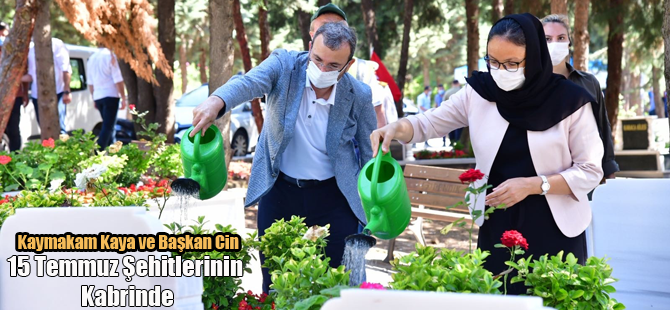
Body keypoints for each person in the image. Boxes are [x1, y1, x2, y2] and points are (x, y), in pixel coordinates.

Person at [370, 14, 603, 295]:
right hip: (497, 222)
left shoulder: (570, 101)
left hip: (554, 224)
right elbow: (428, 122)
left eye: (512, 63)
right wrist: (396, 127)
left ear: (536, 58)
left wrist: (533, 185)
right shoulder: (479, 92)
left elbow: (590, 170)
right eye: (492, 61)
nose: (501, 70)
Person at [190, 22, 375, 293]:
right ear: (310, 47)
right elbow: (248, 83)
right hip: (280, 193)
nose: (322, 70)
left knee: (339, 285)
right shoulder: (284, 65)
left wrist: (373, 207)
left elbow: (370, 154)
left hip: (335, 197)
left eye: (333, 66)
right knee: (276, 284)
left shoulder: (359, 94)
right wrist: (216, 101)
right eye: (318, 59)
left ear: (348, 65)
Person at [542, 14, 619, 181]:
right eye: (547, 39)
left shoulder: (588, 82)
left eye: (561, 38)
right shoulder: (530, 86)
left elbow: (602, 129)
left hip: (586, 175)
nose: (554, 44)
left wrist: (608, 172)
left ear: (569, 41)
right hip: (546, 178)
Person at [309, 3, 387, 128]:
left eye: (338, 27)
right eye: (324, 27)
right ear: (312, 36)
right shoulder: (294, 67)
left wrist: (379, 144)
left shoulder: (363, 71)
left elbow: (378, 116)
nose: (332, 33)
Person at [26, 37, 72, 134]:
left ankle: (62, 149)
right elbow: (31, 75)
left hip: (57, 92)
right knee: (44, 129)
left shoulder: (56, 44)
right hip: (37, 95)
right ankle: (49, 148)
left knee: (59, 127)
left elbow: (66, 68)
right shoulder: (30, 48)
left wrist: (66, 91)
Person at [87, 45, 127, 150]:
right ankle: (98, 151)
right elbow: (118, 79)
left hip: (98, 96)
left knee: (110, 126)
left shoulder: (92, 58)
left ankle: (113, 152)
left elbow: (90, 83)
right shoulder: (110, 56)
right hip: (110, 95)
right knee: (108, 127)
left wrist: (94, 98)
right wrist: (123, 97)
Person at [1, 26, 31, 151]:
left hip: (14, 97)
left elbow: (25, 73)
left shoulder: (17, 53)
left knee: (13, 129)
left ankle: (15, 158)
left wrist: (24, 94)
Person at [443, 79, 463, 146]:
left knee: (451, 128)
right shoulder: (462, 91)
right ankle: (458, 142)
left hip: (450, 113)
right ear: (458, 83)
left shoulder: (448, 92)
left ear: (452, 84)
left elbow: (443, 103)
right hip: (461, 113)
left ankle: (451, 142)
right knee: (459, 128)